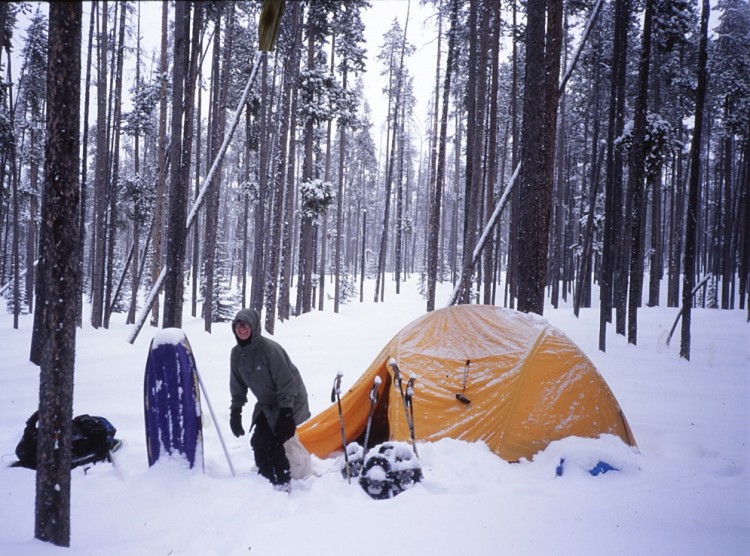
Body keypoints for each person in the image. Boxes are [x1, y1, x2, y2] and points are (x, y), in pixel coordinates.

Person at [229, 308, 310, 490]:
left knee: (273, 440)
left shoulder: (269, 350)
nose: (242, 329)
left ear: (254, 327)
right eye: (238, 325)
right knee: (258, 441)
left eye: (246, 325)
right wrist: (236, 411)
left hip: (290, 400)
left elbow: (287, 383)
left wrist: (287, 414)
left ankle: (282, 481)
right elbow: (237, 385)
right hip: (268, 404)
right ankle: (265, 480)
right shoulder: (236, 354)